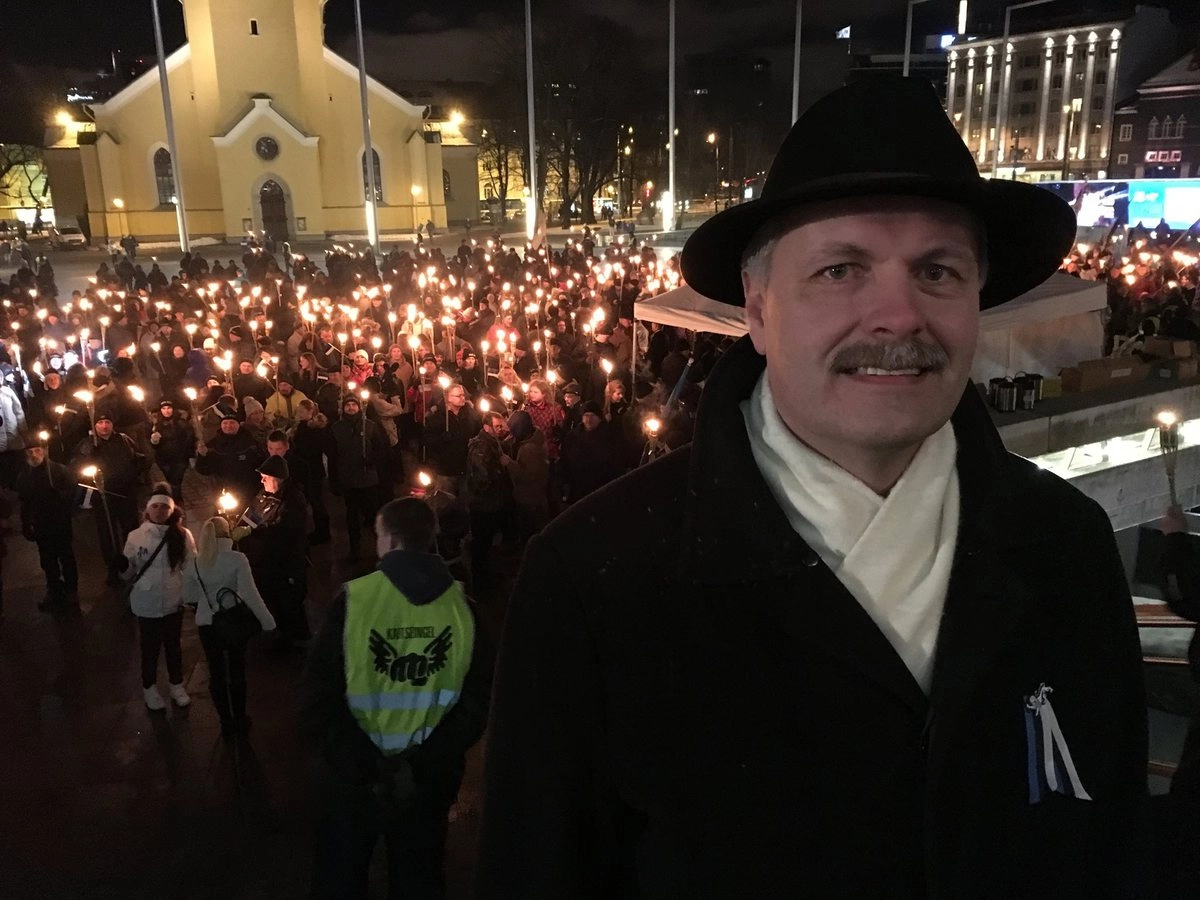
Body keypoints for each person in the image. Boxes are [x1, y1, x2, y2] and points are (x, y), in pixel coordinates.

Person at [477, 77, 1148, 896]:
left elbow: (1114, 850)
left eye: (938, 271)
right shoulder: (591, 580)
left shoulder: (1067, 544)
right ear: (758, 311)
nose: (899, 314)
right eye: (840, 270)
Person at [301, 497, 490, 899]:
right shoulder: (463, 609)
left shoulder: (353, 602)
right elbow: (476, 703)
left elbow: (318, 696)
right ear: (430, 538)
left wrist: (363, 762)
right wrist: (424, 762)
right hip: (428, 781)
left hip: (354, 780)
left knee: (341, 876)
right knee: (419, 878)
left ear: (387, 539)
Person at [185, 516, 277, 738]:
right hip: (233, 621)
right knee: (236, 670)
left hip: (208, 625)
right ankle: (240, 717)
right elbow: (251, 594)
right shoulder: (237, 559)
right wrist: (268, 621)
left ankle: (225, 721)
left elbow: (188, 596)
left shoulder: (195, 563)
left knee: (216, 673)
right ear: (227, 534)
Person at [120, 488, 196, 711]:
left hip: (173, 600)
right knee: (150, 648)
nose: (159, 510)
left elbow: (191, 566)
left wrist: (191, 594)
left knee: (173, 646)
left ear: (172, 511)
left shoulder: (183, 535)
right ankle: (149, 687)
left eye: (164, 507)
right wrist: (122, 567)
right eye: (155, 506)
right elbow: (128, 572)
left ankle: (176, 685)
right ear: (147, 510)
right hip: (147, 601)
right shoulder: (136, 536)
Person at [234, 455, 311, 649]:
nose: (262, 481)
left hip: (286, 563)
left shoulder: (293, 500)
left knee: (289, 602)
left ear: (278, 478)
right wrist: (237, 523)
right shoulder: (264, 495)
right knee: (274, 599)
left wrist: (252, 531)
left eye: (265, 477)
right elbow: (250, 517)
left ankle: (295, 641)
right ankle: (285, 634)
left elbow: (284, 530)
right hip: (265, 561)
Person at [73, 411, 145, 585]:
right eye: (100, 423)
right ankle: (113, 568)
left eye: (107, 422)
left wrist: (133, 476)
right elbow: (77, 468)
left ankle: (134, 563)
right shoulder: (87, 444)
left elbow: (140, 459)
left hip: (125, 493)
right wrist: (90, 458)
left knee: (130, 529)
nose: (104, 426)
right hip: (103, 496)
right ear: (94, 425)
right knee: (108, 534)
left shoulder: (123, 440)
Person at [17, 435, 79, 610]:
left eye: (37, 450)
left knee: (66, 556)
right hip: (40, 524)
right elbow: (24, 502)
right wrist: (26, 523)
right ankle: (54, 588)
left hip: (59, 522)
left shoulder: (59, 471)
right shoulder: (24, 476)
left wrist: (61, 498)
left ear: (44, 451)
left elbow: (73, 493)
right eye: (30, 452)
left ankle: (71, 589)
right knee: (47, 559)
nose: (34, 455)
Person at [329, 394, 390, 560]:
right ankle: (355, 549)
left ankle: (381, 549)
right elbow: (332, 456)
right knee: (352, 516)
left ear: (359, 407)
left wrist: (371, 459)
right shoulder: (336, 428)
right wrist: (334, 480)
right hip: (348, 479)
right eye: (348, 405)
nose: (351, 408)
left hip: (367, 479)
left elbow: (382, 449)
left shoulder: (370, 426)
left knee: (373, 515)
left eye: (353, 405)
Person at [150, 399, 196, 502]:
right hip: (164, 458)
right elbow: (153, 444)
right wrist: (154, 441)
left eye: (169, 408)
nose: (166, 411)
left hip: (180, 457)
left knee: (176, 481)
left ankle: (177, 501)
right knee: (170, 480)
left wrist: (189, 453)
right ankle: (174, 499)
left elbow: (190, 438)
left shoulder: (182, 423)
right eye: (164, 408)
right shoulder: (156, 424)